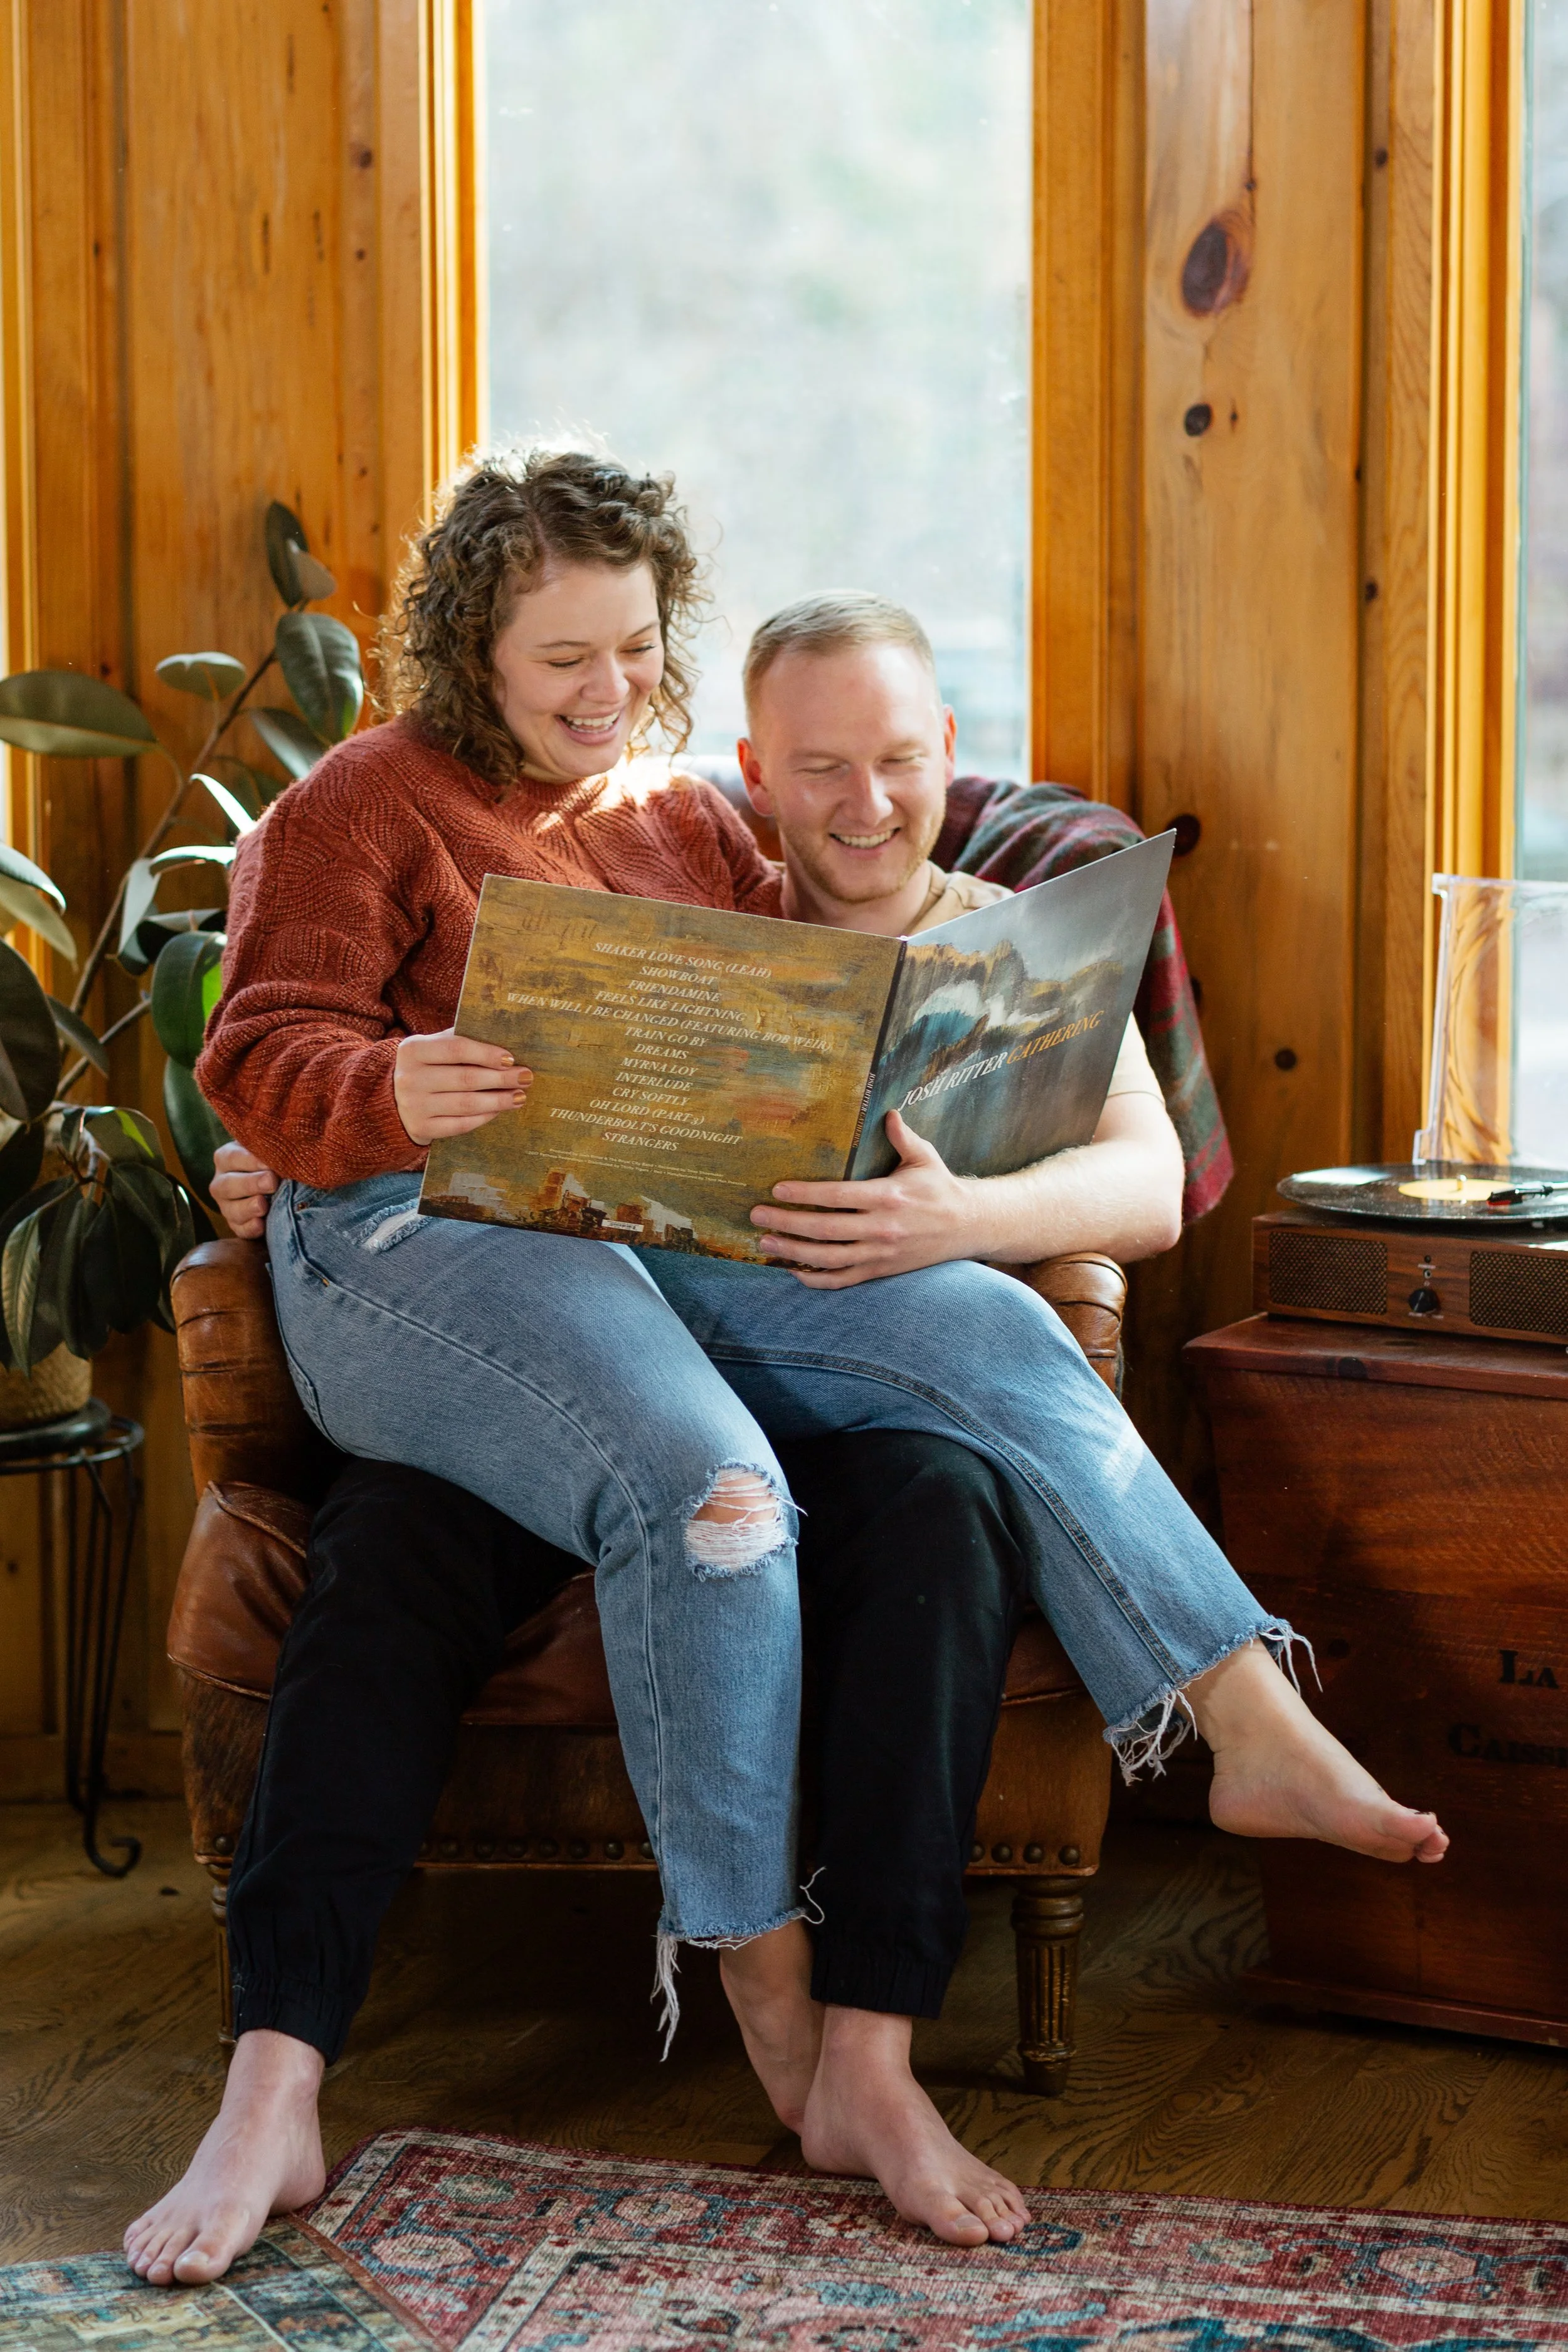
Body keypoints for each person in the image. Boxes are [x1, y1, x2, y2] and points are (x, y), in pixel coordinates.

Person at [127, 454, 1446, 2282]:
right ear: (467, 651)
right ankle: (764, 2007)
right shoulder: (362, 803)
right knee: (718, 1488)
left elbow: (792, 1031)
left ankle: (1245, 1721)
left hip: (641, 1231)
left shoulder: (683, 820)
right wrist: (371, 1092)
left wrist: (890, 1154)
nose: (602, 690)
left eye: (630, 648)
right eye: (557, 657)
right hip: (410, 1249)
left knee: (982, 1320)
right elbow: (263, 1045)